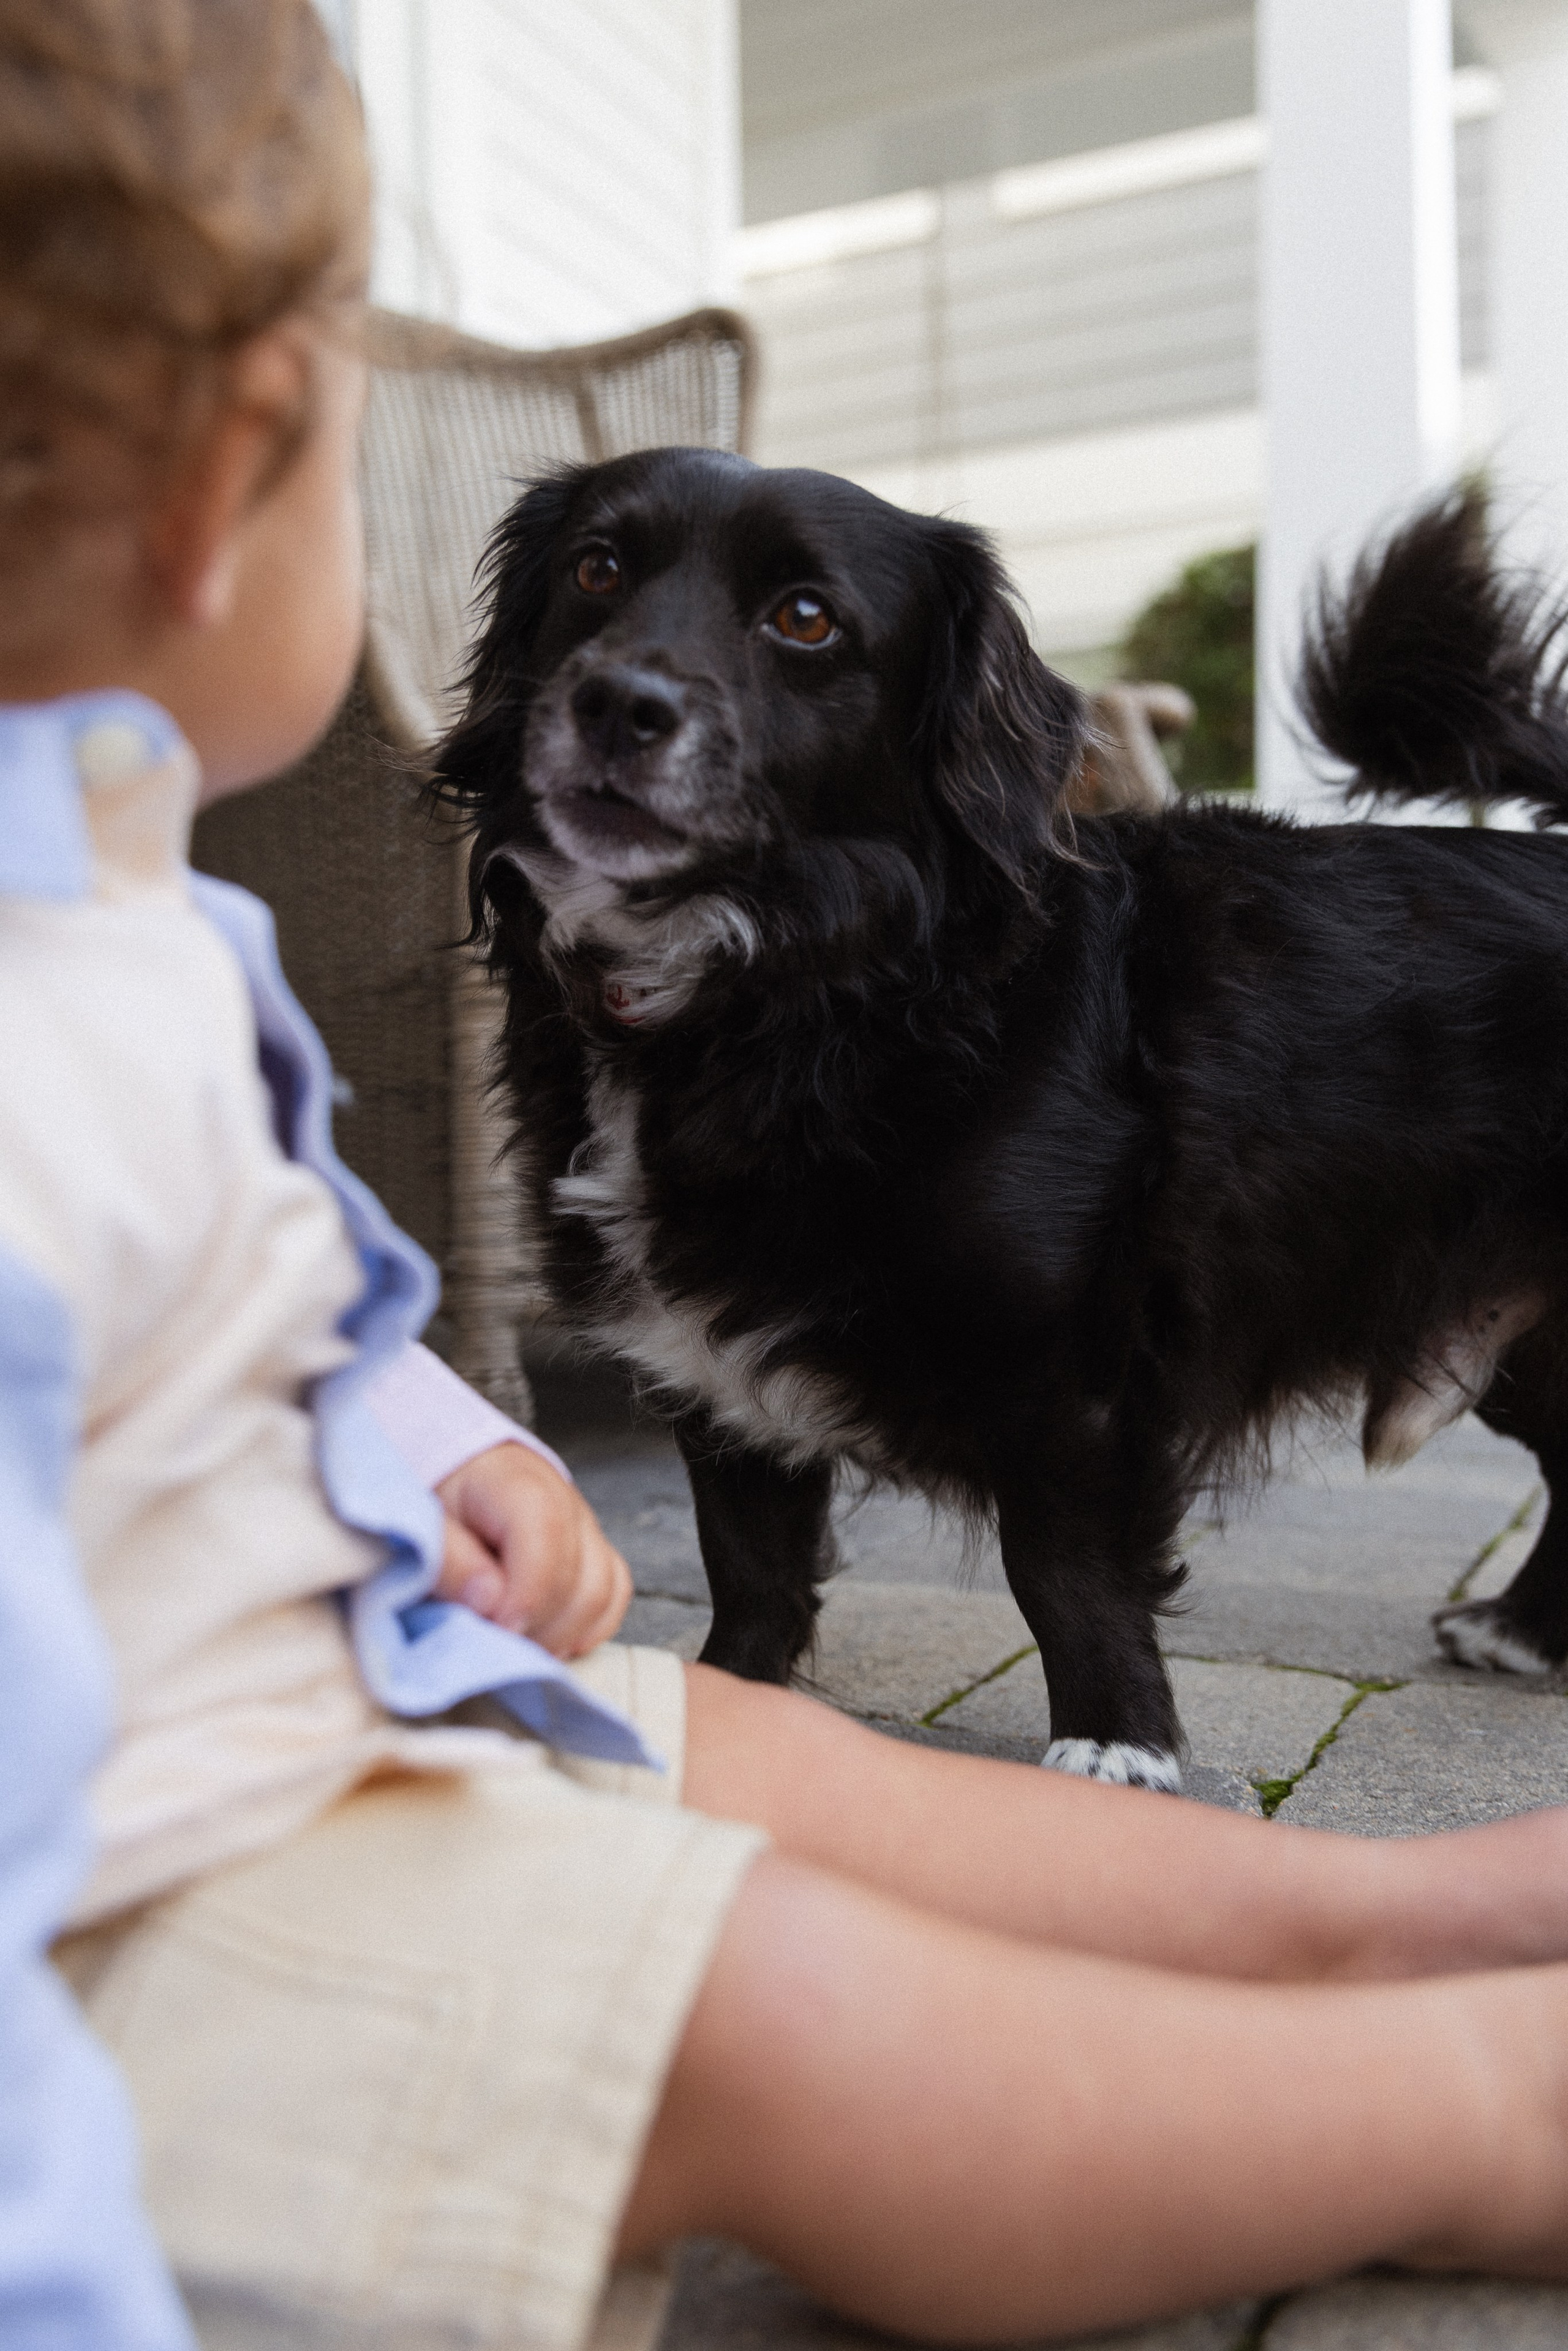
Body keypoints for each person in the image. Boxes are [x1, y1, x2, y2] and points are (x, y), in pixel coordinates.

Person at [9, 6, 1568, 2348]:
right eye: (602, 592)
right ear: (234, 475)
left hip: (304, 1694)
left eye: (775, 626)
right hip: (148, 1867)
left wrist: (416, 1431)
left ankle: (1382, 1912)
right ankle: (1465, 2100)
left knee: (757, 1752)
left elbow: (252, 1287)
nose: (633, 663)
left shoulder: (135, 909)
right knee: (777, 1994)